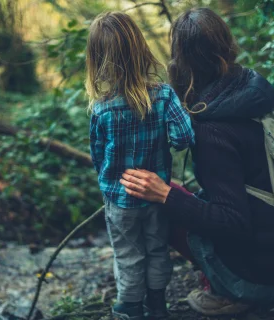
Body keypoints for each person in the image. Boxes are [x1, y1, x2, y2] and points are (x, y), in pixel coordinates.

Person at [120, 8, 274, 316]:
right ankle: (239, 280)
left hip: (266, 277)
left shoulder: (212, 130)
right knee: (187, 195)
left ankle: (231, 290)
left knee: (161, 200)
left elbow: (233, 223)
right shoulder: (252, 90)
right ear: (226, 46)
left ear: (182, 62)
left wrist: (165, 194)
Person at [85, 11, 195, 320]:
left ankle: (129, 308)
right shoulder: (163, 96)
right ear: (140, 49)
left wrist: (108, 182)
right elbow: (184, 137)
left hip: (120, 200)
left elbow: (97, 156)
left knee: (129, 254)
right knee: (157, 248)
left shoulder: (100, 109)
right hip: (156, 196)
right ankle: (157, 305)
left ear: (96, 60)